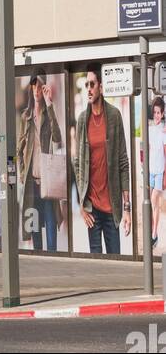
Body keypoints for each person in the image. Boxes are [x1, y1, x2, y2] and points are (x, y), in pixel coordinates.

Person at [73, 65, 131, 254]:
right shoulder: (82, 120)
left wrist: (127, 208)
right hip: (92, 207)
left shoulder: (114, 116)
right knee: (95, 265)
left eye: (92, 84)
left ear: (101, 87)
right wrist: (81, 204)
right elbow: (78, 164)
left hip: (111, 207)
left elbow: (123, 161)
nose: (89, 89)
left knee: (115, 262)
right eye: (86, 85)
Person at [18, 73, 63, 253]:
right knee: (35, 228)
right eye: (34, 86)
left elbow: (58, 137)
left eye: (40, 86)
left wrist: (49, 103)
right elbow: (18, 149)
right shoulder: (26, 117)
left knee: (51, 225)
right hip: (32, 182)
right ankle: (39, 260)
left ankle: (53, 260)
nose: (37, 89)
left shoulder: (47, 113)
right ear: (31, 88)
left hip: (48, 183)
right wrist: (21, 172)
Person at [148, 96, 165, 248]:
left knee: (154, 200)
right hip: (150, 171)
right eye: (155, 112)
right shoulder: (150, 129)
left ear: (163, 113)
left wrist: (165, 175)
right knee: (152, 204)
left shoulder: (164, 131)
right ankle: (155, 235)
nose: (157, 115)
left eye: (159, 112)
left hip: (160, 172)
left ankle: (154, 233)